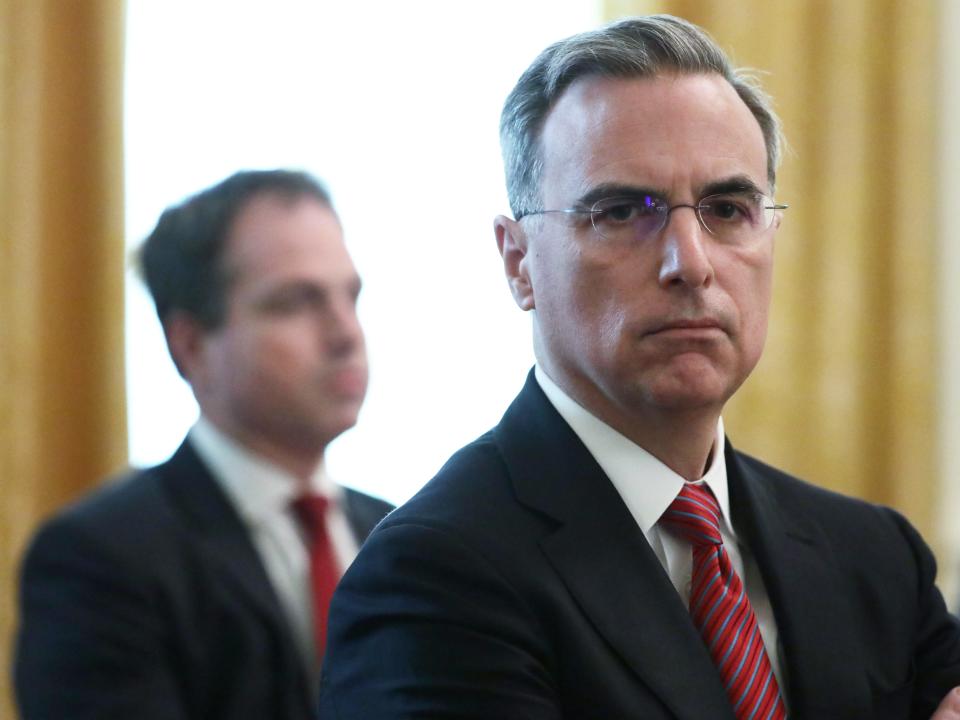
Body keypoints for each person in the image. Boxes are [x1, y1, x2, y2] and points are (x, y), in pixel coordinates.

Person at [318, 16, 960, 720]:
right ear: (518, 262)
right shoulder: (433, 578)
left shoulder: (877, 558)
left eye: (728, 208)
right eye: (623, 211)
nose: (691, 262)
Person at [14, 169, 393, 720]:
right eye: (295, 302)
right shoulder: (98, 560)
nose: (345, 334)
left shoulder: (399, 536)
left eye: (349, 296)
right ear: (191, 345)